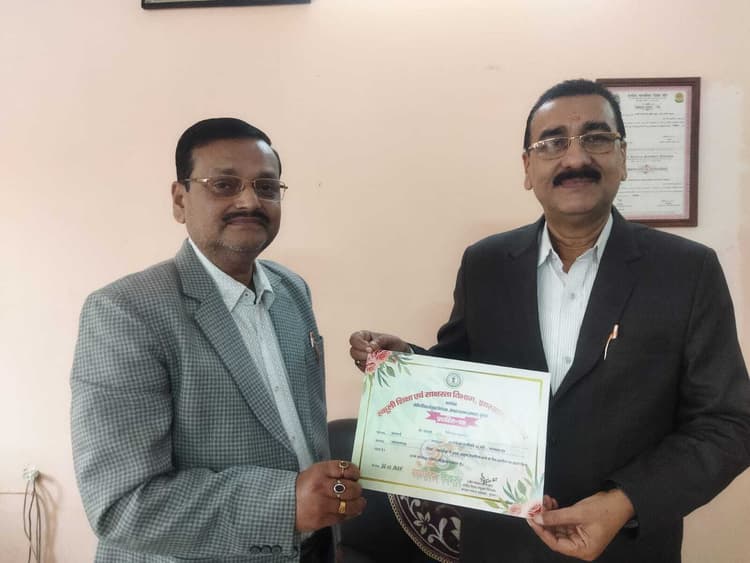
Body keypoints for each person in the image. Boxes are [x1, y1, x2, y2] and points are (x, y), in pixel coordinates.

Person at [349, 79, 750, 562]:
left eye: (596, 138)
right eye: (552, 143)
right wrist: (407, 364)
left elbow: (729, 424)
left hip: (626, 547)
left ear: (623, 158)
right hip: (500, 547)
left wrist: (625, 502)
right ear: (527, 167)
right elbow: (464, 381)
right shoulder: (485, 264)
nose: (575, 158)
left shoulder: (686, 270)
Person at [71, 117, 365, 562]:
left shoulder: (292, 290)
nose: (249, 200)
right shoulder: (125, 312)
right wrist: (285, 504)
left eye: (266, 187)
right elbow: (122, 505)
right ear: (180, 200)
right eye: (224, 184)